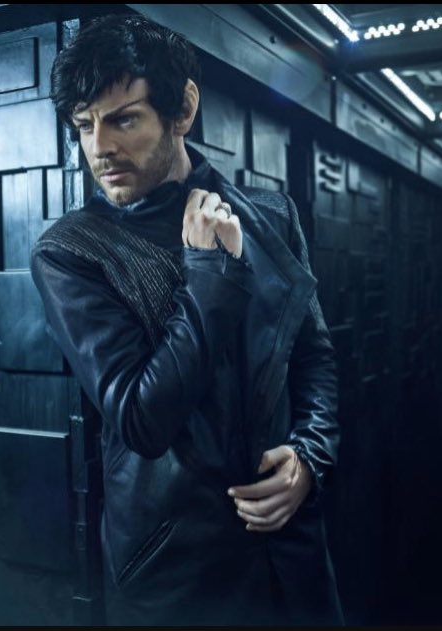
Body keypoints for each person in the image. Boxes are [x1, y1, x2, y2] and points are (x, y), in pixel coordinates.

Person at [29, 13, 343, 626]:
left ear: (183, 108)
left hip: (292, 551)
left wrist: (310, 456)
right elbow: (141, 419)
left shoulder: (272, 217)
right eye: (85, 125)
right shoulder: (71, 251)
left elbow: (314, 359)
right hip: (176, 573)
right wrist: (209, 274)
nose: (100, 148)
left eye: (124, 119)